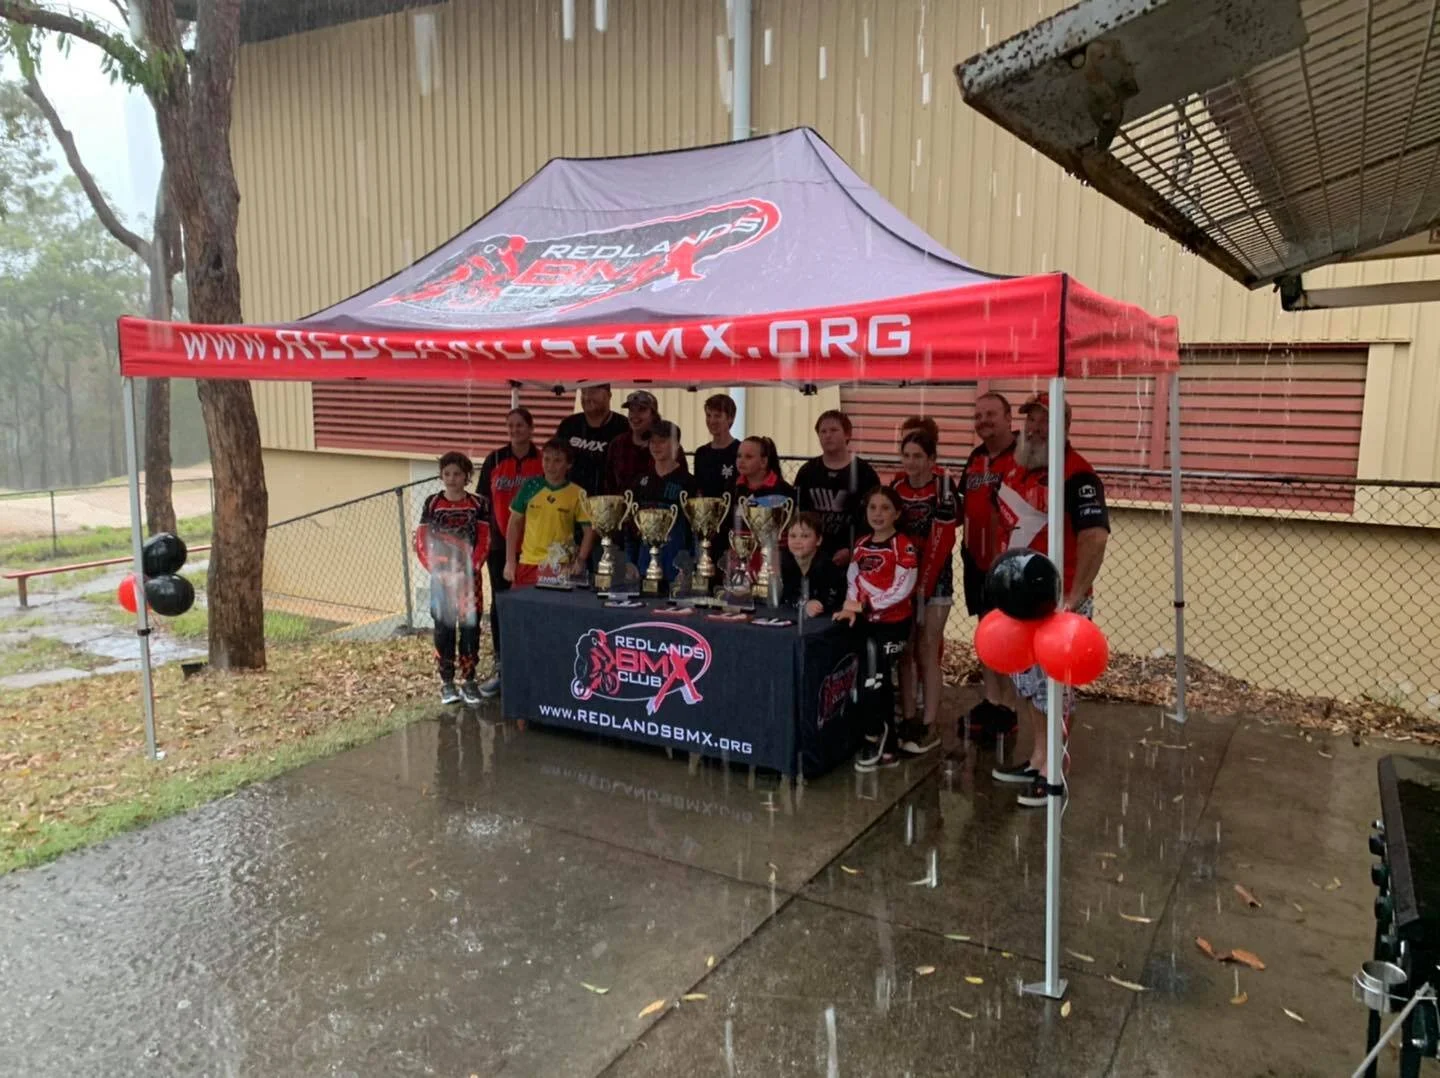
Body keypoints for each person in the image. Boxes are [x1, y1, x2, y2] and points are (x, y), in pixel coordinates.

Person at [991, 392, 1110, 808]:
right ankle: (1039, 758)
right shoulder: (1017, 469)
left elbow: (1095, 537)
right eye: (1032, 420)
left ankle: (1053, 771)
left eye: (1046, 421)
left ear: (1065, 426)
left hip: (1058, 604)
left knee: (1056, 689)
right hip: (1019, 603)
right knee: (1029, 687)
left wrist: (1073, 598)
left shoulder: (1078, 475)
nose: (1036, 428)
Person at [834, 486, 919, 771]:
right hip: (866, 624)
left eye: (885, 508)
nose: (878, 513)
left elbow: (903, 587)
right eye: (873, 507)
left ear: (897, 513)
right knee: (868, 679)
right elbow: (853, 580)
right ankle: (888, 745)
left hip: (893, 625)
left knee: (876, 681)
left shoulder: (903, 545)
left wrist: (868, 605)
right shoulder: (861, 544)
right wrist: (850, 606)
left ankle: (875, 736)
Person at [959, 392, 1019, 744]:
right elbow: (964, 504)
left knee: (1008, 635)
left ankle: (1009, 707)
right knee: (986, 631)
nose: (983, 421)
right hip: (976, 558)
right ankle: (992, 699)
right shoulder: (976, 457)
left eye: (991, 414)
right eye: (978, 415)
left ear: (1009, 417)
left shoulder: (1024, 455)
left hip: (1010, 562)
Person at [892, 428, 954, 756]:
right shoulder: (896, 487)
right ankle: (908, 717)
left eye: (918, 456)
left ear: (931, 459)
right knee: (905, 649)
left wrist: (925, 582)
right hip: (902, 576)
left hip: (937, 577)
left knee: (928, 648)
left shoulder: (943, 487)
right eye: (906, 456)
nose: (911, 462)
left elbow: (945, 536)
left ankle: (929, 723)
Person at [413, 451, 491, 706]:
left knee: (470, 629)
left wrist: (472, 568)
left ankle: (469, 680)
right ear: (441, 475)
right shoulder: (432, 503)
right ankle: (447, 681)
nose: (452, 479)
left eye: (457, 474)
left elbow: (485, 539)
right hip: (442, 579)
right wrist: (436, 570)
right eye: (447, 474)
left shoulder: (478, 504)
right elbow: (421, 541)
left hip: (469, 579)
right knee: (443, 629)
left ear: (467, 476)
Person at [476, 407, 543, 697]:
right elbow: (482, 500)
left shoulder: (542, 460)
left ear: (531, 428)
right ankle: (503, 664)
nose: (515, 430)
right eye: (511, 426)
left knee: (533, 603)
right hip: (500, 545)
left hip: (535, 547)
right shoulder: (495, 459)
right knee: (501, 603)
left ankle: (534, 661)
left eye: (520, 425)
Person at [793, 409, 881, 567]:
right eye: (823, 431)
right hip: (813, 554)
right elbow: (800, 514)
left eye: (834, 430)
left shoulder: (865, 473)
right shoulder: (807, 472)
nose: (828, 435)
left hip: (853, 556)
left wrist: (853, 549)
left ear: (847, 434)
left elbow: (872, 519)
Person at [504, 438, 596, 588]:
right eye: (546, 459)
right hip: (528, 563)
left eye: (557, 461)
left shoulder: (578, 493)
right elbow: (514, 524)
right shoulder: (530, 487)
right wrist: (510, 561)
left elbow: (589, 530)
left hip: (560, 566)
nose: (550, 466)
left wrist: (580, 559)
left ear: (569, 464)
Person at [626, 420, 697, 588]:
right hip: (644, 568)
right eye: (652, 441)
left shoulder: (689, 483)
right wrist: (629, 561)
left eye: (662, 441)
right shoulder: (640, 482)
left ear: (676, 445)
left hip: (676, 569)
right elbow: (630, 528)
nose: (656, 446)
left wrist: (690, 565)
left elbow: (696, 531)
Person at [726, 434, 796, 564]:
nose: (741, 461)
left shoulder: (784, 491)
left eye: (748, 457)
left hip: (774, 561)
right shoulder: (732, 488)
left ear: (764, 462)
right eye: (739, 456)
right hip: (739, 560)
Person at [604, 390, 685, 493]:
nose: (635, 415)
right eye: (631, 410)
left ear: (653, 415)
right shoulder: (617, 444)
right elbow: (609, 484)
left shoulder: (671, 447)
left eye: (641, 409)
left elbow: (683, 484)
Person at [554, 383, 629, 496]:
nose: (587, 397)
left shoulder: (624, 426)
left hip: (608, 501)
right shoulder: (569, 425)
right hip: (569, 499)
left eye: (593, 392)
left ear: (609, 395)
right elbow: (553, 459)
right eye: (584, 392)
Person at [779, 512, 847, 616]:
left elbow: (832, 599)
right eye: (793, 536)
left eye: (805, 536)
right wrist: (804, 604)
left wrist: (818, 604)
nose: (797, 541)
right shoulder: (782, 563)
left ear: (818, 540)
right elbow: (784, 595)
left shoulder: (828, 567)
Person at [693, 393, 740, 498]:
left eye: (717, 416)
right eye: (708, 415)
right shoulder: (701, 453)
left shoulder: (740, 451)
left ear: (730, 418)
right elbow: (698, 489)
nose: (712, 421)